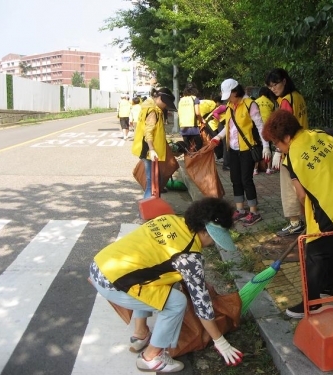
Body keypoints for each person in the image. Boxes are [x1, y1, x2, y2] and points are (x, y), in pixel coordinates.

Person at [89, 197, 243, 372]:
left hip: (99, 266)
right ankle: (151, 357)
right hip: (113, 283)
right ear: (206, 232)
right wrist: (220, 341)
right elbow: (202, 305)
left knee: (161, 279)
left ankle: (140, 333)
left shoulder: (171, 219)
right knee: (177, 302)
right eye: (215, 238)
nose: (214, 244)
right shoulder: (190, 258)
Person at [262, 109, 333, 318]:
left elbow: (302, 197)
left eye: (276, 143)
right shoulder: (319, 133)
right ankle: (329, 288)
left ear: (286, 137)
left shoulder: (292, 157)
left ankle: (312, 304)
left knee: (315, 251)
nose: (277, 147)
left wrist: (308, 226)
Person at [211, 79, 271, 226]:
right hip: (233, 149)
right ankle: (240, 209)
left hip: (247, 149)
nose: (227, 99)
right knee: (235, 179)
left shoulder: (251, 105)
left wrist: (266, 146)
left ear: (236, 92)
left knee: (246, 180)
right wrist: (218, 137)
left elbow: (260, 126)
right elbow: (229, 127)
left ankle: (254, 212)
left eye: (229, 95)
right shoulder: (230, 106)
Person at [265, 68, 309, 237]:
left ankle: (295, 222)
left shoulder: (286, 101)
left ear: (284, 81)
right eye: (270, 86)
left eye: (275, 84)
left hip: (289, 150)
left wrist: (278, 150)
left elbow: (283, 128)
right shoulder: (298, 97)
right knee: (302, 186)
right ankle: (308, 221)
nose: (273, 89)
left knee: (290, 187)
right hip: (302, 146)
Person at [132, 87, 178, 199]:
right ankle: (149, 210)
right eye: (166, 103)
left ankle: (151, 208)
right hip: (149, 151)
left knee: (153, 181)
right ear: (160, 99)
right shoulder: (153, 111)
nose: (166, 106)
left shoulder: (149, 107)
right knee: (152, 183)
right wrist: (152, 149)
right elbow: (148, 132)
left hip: (149, 150)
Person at [254, 86, 277, 175]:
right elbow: (272, 116)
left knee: (257, 147)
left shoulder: (255, 102)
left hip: (256, 128)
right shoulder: (270, 103)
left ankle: (255, 169)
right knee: (268, 147)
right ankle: (268, 168)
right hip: (267, 128)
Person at [178, 83, 204, 152]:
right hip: (193, 125)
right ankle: (194, 158)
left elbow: (179, 112)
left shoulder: (181, 100)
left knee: (187, 146)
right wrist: (201, 120)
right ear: (195, 90)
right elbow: (197, 113)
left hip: (183, 125)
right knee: (199, 144)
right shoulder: (195, 99)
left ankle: (188, 160)